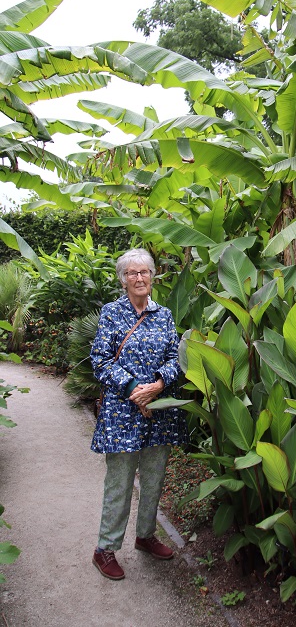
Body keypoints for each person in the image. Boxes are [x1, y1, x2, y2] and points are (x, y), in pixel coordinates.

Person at [90, 248, 188, 580]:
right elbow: (100, 361)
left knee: (154, 477)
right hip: (122, 414)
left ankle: (145, 536)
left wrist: (159, 384)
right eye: (132, 273)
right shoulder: (111, 313)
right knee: (119, 482)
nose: (139, 277)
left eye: (144, 271)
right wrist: (135, 388)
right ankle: (105, 549)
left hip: (158, 412)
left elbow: (177, 358)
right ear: (123, 280)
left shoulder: (164, 315)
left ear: (152, 275)